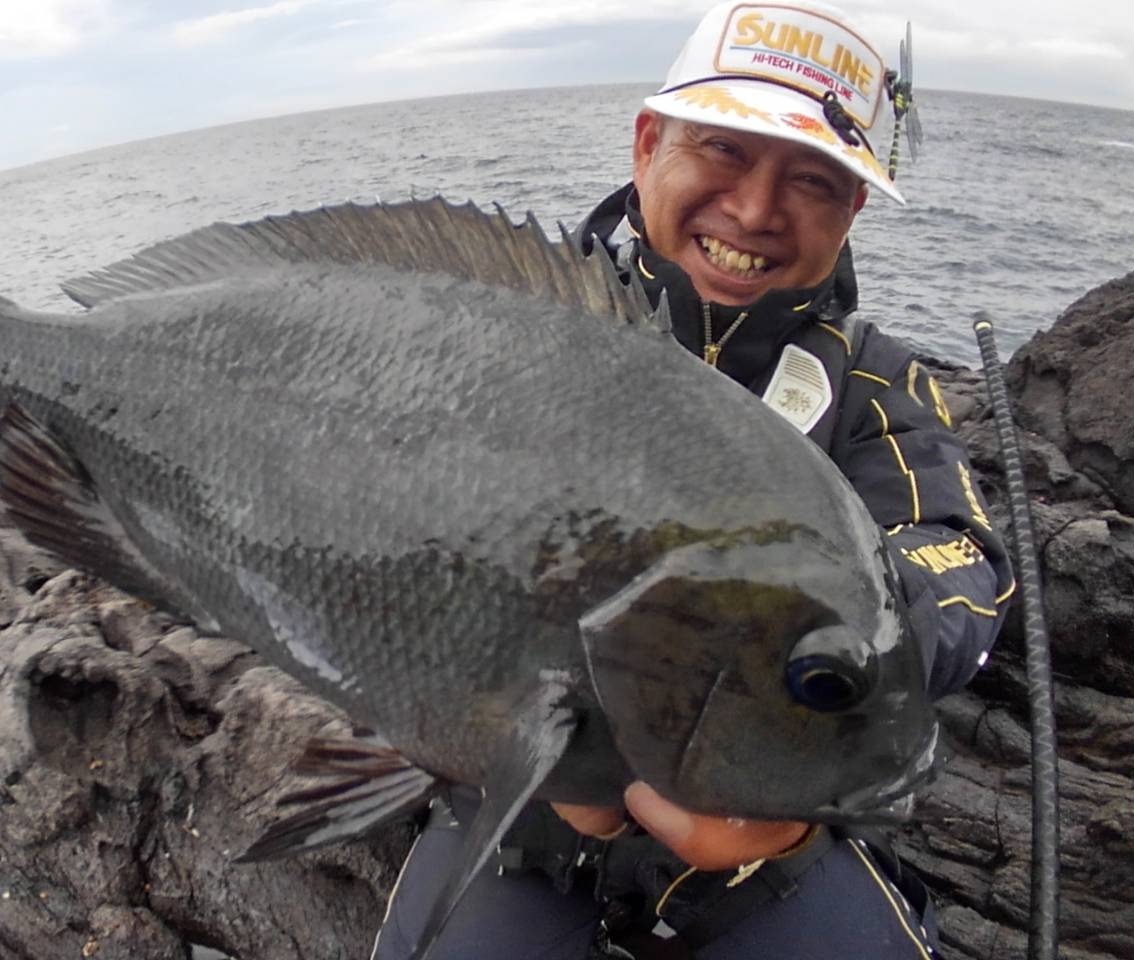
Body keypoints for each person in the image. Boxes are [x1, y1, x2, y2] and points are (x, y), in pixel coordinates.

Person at [369, 2, 1015, 958]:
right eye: (722, 150)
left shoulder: (878, 379)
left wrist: (790, 646)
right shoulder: (520, 328)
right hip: (526, 800)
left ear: (853, 210)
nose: (755, 210)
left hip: (767, 826)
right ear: (647, 146)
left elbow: (959, 561)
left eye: (814, 179)